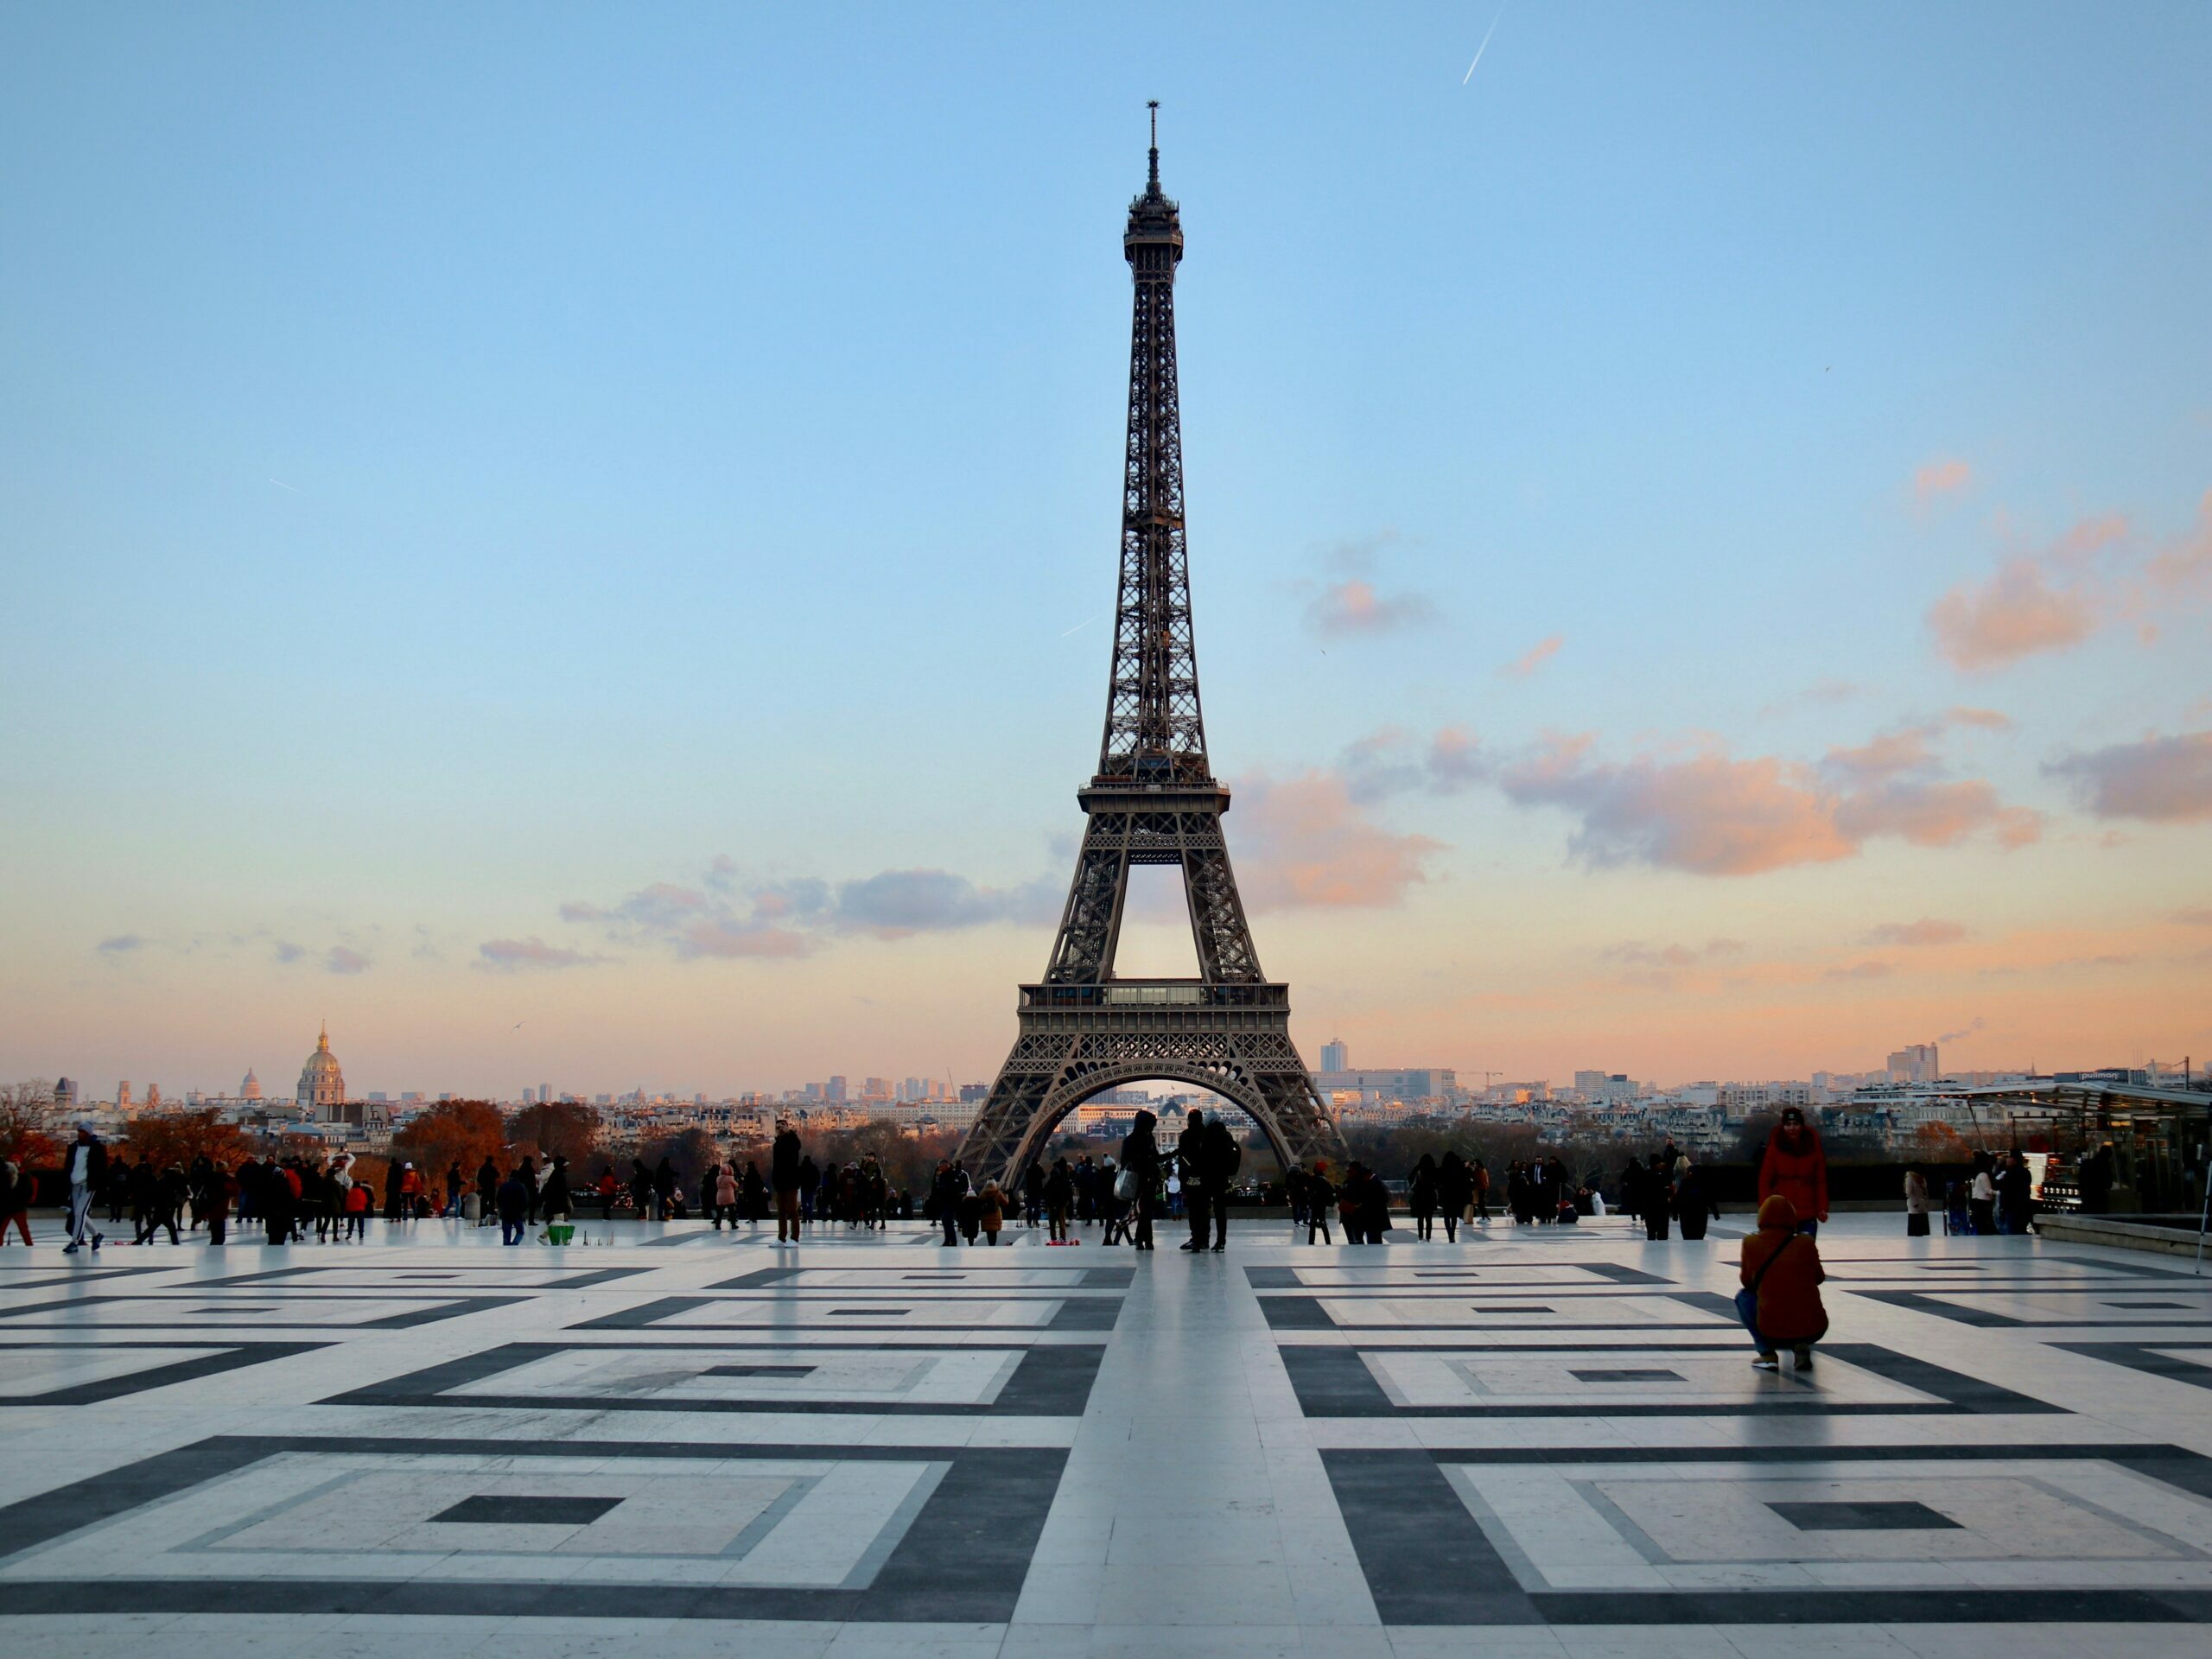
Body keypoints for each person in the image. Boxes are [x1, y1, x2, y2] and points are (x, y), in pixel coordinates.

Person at [1738, 1194, 1827, 1371]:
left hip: (1771, 1330)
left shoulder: (1751, 1243)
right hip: (1814, 1329)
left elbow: (1747, 1282)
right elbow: (1819, 1278)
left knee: (1743, 1297)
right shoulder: (1806, 1242)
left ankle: (1767, 1354)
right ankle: (1800, 1344)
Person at [1757, 1107, 1829, 1235]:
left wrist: (1822, 1207)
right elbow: (1765, 1179)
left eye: (1796, 1124)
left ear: (1801, 1125)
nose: (1792, 1128)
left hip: (1807, 1211)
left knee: (1806, 1252)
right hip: (1782, 1213)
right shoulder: (1776, 1146)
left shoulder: (1812, 1144)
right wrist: (1765, 1208)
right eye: (1788, 1124)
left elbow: (1820, 1180)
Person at [61, 1122, 108, 1254]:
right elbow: (68, 1165)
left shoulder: (97, 1148)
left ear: (88, 1133)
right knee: (79, 1213)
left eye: (82, 1132)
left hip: (88, 1185)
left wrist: (98, 1183)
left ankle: (75, 1241)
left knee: (79, 1213)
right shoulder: (73, 1147)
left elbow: (101, 1168)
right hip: (75, 1183)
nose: (79, 1134)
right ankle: (96, 1235)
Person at [1120, 1110, 1160, 1251]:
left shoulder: (1129, 1141)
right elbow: (1156, 1158)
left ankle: (1142, 1240)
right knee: (1146, 1212)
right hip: (1146, 1180)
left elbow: (1124, 1163)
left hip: (1136, 1181)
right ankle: (1145, 1240)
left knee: (1143, 1212)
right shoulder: (1149, 1140)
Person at [772, 1118, 803, 1242]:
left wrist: (789, 1133)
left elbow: (797, 1146)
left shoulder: (792, 1140)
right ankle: (781, 1237)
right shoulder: (777, 1143)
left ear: (787, 1127)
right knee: (781, 1211)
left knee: (792, 1210)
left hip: (791, 1180)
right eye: (778, 1127)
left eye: (782, 1126)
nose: (780, 1129)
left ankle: (794, 1237)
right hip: (780, 1181)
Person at [1673, 1158, 1712, 1241]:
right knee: (1699, 1235)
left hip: (1686, 1215)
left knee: (1688, 1236)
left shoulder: (1685, 1183)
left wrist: (1675, 1213)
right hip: (1700, 1215)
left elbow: (1678, 1199)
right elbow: (1709, 1199)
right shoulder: (1703, 1185)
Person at [1997, 1151, 2035, 1235]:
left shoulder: (2010, 1174)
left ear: (2014, 1160)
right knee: (2020, 1230)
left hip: (2011, 1207)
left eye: (2009, 1157)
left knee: (2012, 1231)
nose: (2007, 1159)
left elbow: (2001, 1186)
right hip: (2023, 1207)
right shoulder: (2025, 1172)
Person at [1436, 1152, 1470, 1243]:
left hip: (1445, 1195)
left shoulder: (1442, 1170)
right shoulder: (1460, 1170)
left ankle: (1449, 1234)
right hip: (1456, 1195)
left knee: (1446, 1216)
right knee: (1454, 1216)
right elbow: (1465, 1183)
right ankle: (1453, 1234)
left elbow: (1437, 1182)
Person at [0, 1157, 33, 1246]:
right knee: (2, 1230)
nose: (14, 1163)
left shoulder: (24, 1176)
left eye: (16, 1161)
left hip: (16, 1209)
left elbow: (28, 1192)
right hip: (11, 1209)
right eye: (13, 1161)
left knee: (24, 1230)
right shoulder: (7, 1178)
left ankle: (29, 1245)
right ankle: (29, 1245)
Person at [1300, 1162, 1334, 1244]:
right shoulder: (1323, 1180)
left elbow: (1308, 1189)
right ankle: (1328, 1242)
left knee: (1313, 1223)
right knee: (1323, 1222)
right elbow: (1331, 1190)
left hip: (1314, 1203)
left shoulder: (1312, 1179)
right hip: (1321, 1203)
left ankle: (1311, 1242)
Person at [1642, 1152, 1672, 1241]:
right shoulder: (1660, 1176)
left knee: (1652, 1233)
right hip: (1659, 1208)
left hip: (1651, 1208)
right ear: (1655, 1164)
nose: (1663, 1164)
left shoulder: (1646, 1175)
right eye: (1660, 1163)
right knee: (1660, 1232)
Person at [1408, 1154, 1438, 1242]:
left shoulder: (1418, 1169)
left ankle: (1420, 1236)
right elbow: (1439, 1182)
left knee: (1420, 1218)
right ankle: (1428, 1237)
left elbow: (1410, 1179)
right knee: (1429, 1219)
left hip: (1419, 1196)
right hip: (1430, 1196)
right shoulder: (1434, 1170)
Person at [496, 1168, 530, 1245]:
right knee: (520, 1232)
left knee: (506, 1233)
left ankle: (506, 1245)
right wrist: (523, 1210)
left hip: (505, 1213)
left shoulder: (504, 1186)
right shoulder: (521, 1187)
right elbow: (525, 1200)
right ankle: (514, 1244)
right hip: (517, 1213)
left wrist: (502, 1208)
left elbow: (498, 1199)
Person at [1046, 1157, 1074, 1243]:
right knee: (1061, 1222)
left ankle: (1054, 1237)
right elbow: (1069, 1193)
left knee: (1053, 1222)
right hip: (1060, 1205)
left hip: (1054, 1205)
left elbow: (1045, 1193)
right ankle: (1062, 1237)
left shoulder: (1050, 1183)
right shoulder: (1063, 1181)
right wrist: (1065, 1202)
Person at [1967, 1156, 1997, 1235]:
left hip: (1977, 1200)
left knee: (1979, 1222)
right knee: (1985, 1221)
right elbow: (1987, 1190)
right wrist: (1998, 1193)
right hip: (1983, 1201)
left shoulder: (1977, 1175)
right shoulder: (1984, 1175)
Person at [541, 1155, 573, 1226]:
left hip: (553, 1209)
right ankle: (543, 1236)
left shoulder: (555, 1175)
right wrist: (566, 1208)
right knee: (558, 1228)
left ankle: (543, 1236)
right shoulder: (560, 1177)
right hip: (558, 1209)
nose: (567, 1167)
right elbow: (562, 1195)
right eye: (565, 1165)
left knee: (554, 1228)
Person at [1904, 1167, 1931, 1236]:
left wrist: (1906, 1193)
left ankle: (1915, 1233)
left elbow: (1909, 1192)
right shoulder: (1922, 1179)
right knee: (1921, 1219)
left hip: (1913, 1201)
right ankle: (1922, 1232)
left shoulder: (1910, 1178)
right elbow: (1926, 1191)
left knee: (1914, 1220)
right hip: (1922, 1201)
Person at [979, 1179, 1007, 1245]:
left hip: (986, 1216)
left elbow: (979, 1203)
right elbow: (1005, 1203)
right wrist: (1006, 1196)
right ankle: (993, 1245)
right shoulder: (998, 1193)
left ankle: (990, 1244)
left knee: (989, 1233)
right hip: (996, 1215)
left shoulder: (982, 1193)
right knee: (994, 1232)